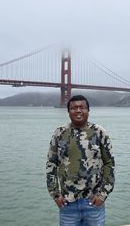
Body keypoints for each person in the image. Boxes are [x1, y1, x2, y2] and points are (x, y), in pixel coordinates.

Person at [46, 95, 115, 226]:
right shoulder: (59, 133)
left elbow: (109, 164)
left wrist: (103, 194)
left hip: (93, 203)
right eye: (73, 108)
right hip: (67, 204)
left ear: (88, 110)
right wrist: (55, 194)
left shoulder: (99, 132)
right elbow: (51, 164)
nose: (78, 110)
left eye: (82, 107)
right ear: (68, 112)